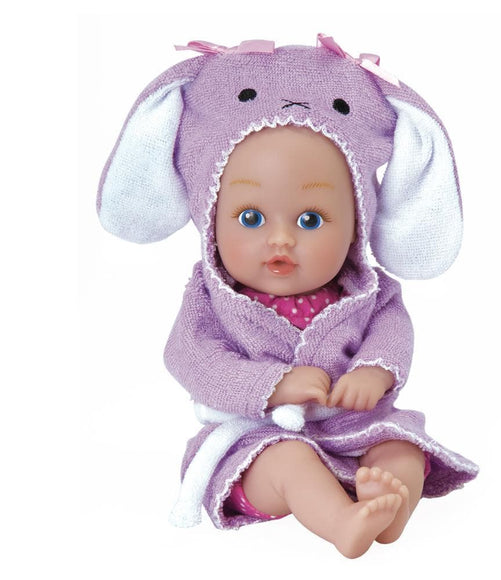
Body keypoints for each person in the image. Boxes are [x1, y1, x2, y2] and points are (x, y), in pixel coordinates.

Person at [98, 35, 479, 559]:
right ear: (210, 217)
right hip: (259, 440)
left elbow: (392, 333)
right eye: (251, 217)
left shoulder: (370, 294)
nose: (281, 240)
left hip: (354, 430)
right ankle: (342, 521)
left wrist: (375, 370)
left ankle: (390, 509)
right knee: (288, 462)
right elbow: (192, 358)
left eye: (311, 220)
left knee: (401, 450)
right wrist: (272, 385)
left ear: (357, 224)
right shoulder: (210, 300)